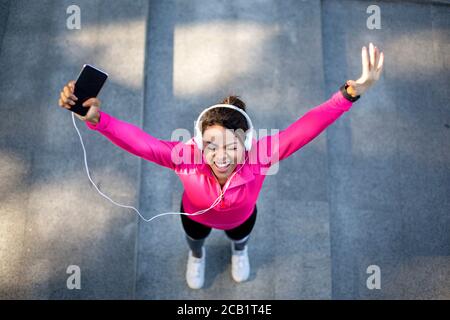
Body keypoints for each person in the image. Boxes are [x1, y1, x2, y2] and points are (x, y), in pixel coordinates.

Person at [58, 43, 384, 289]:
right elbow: (139, 142)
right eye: (212, 145)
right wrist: (97, 119)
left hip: (241, 218)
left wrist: (352, 92)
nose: (222, 155)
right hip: (195, 216)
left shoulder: (261, 156)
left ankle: (239, 252)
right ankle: (197, 257)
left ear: (247, 142)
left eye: (232, 145)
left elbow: (308, 125)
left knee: (240, 238)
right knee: (195, 241)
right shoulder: (185, 158)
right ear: (199, 144)